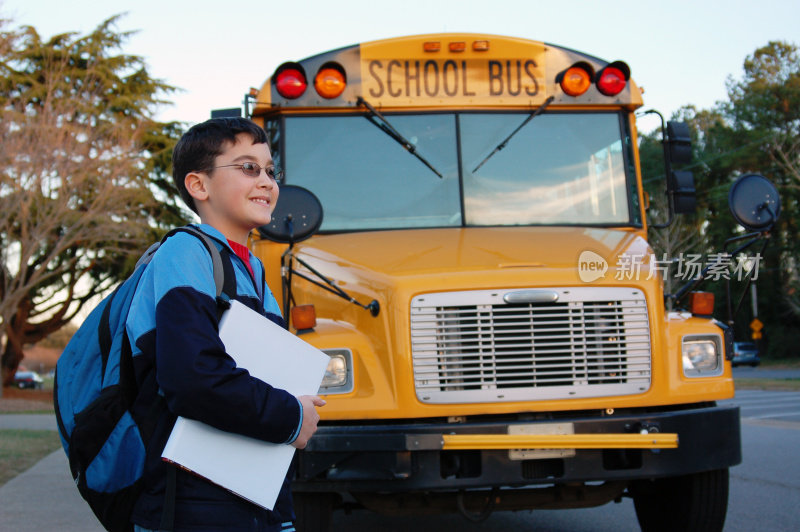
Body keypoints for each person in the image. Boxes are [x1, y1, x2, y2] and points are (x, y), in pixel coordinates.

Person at [126, 117, 325, 532]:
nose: (267, 181)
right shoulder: (185, 253)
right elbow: (192, 379)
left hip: (254, 496)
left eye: (271, 171)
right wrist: (292, 415)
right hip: (191, 504)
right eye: (248, 168)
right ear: (199, 186)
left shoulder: (250, 266)